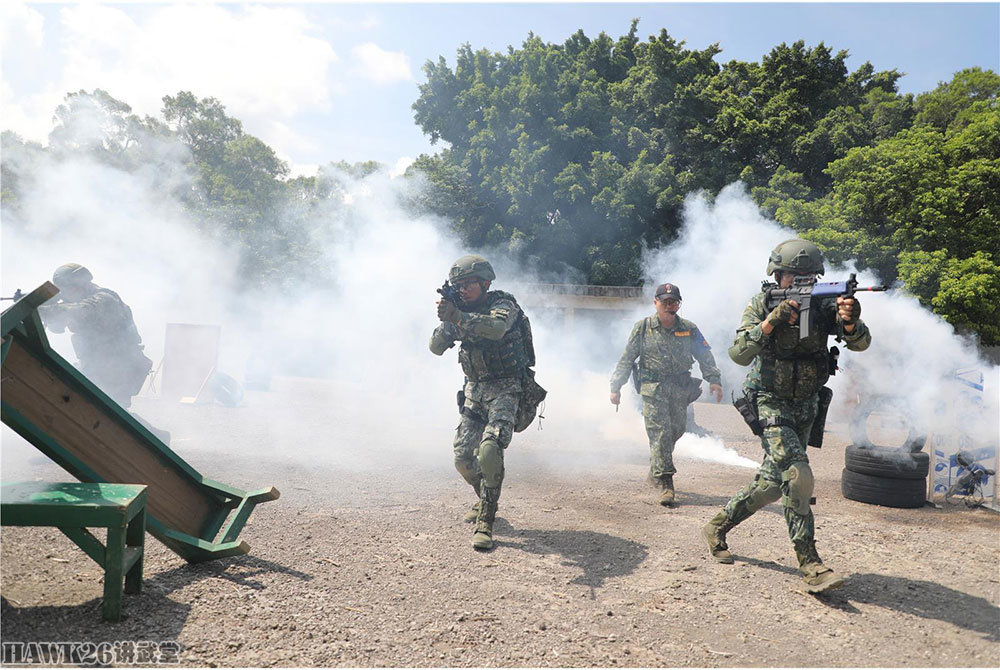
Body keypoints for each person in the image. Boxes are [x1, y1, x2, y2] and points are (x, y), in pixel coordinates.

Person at [702, 239, 871, 593]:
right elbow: (738, 354)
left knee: (769, 485)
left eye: (810, 276)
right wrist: (769, 323)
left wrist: (851, 323)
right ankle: (810, 564)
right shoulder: (762, 303)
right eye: (795, 275)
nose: (803, 282)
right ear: (777, 275)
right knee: (798, 475)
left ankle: (717, 525)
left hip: (807, 403)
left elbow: (860, 344)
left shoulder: (825, 306)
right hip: (769, 400)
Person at [429, 255, 536, 551]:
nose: (462, 290)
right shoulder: (460, 312)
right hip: (475, 390)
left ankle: (486, 519)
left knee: (489, 448)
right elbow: (436, 348)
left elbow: (496, 329)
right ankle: (485, 495)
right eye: (458, 286)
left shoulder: (503, 304)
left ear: (485, 283)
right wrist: (446, 321)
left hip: (507, 388)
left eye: (468, 284)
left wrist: (459, 317)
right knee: (463, 458)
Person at [609, 283, 723, 506]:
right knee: (660, 433)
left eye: (674, 302)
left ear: (679, 304)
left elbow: (705, 356)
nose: (670, 306)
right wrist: (616, 386)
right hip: (654, 390)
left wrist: (714, 381)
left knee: (677, 429)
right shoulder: (642, 328)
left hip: (680, 390)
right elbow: (627, 358)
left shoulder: (689, 328)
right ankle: (666, 483)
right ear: (656, 303)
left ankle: (656, 468)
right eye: (665, 302)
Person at [39, 263, 153, 409]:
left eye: (69, 288)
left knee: (109, 414)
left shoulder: (104, 299)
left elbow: (79, 311)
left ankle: (155, 433)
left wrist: (42, 308)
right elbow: (57, 327)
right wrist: (49, 305)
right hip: (99, 368)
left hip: (120, 368)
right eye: (64, 290)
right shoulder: (74, 302)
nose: (67, 293)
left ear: (82, 283)